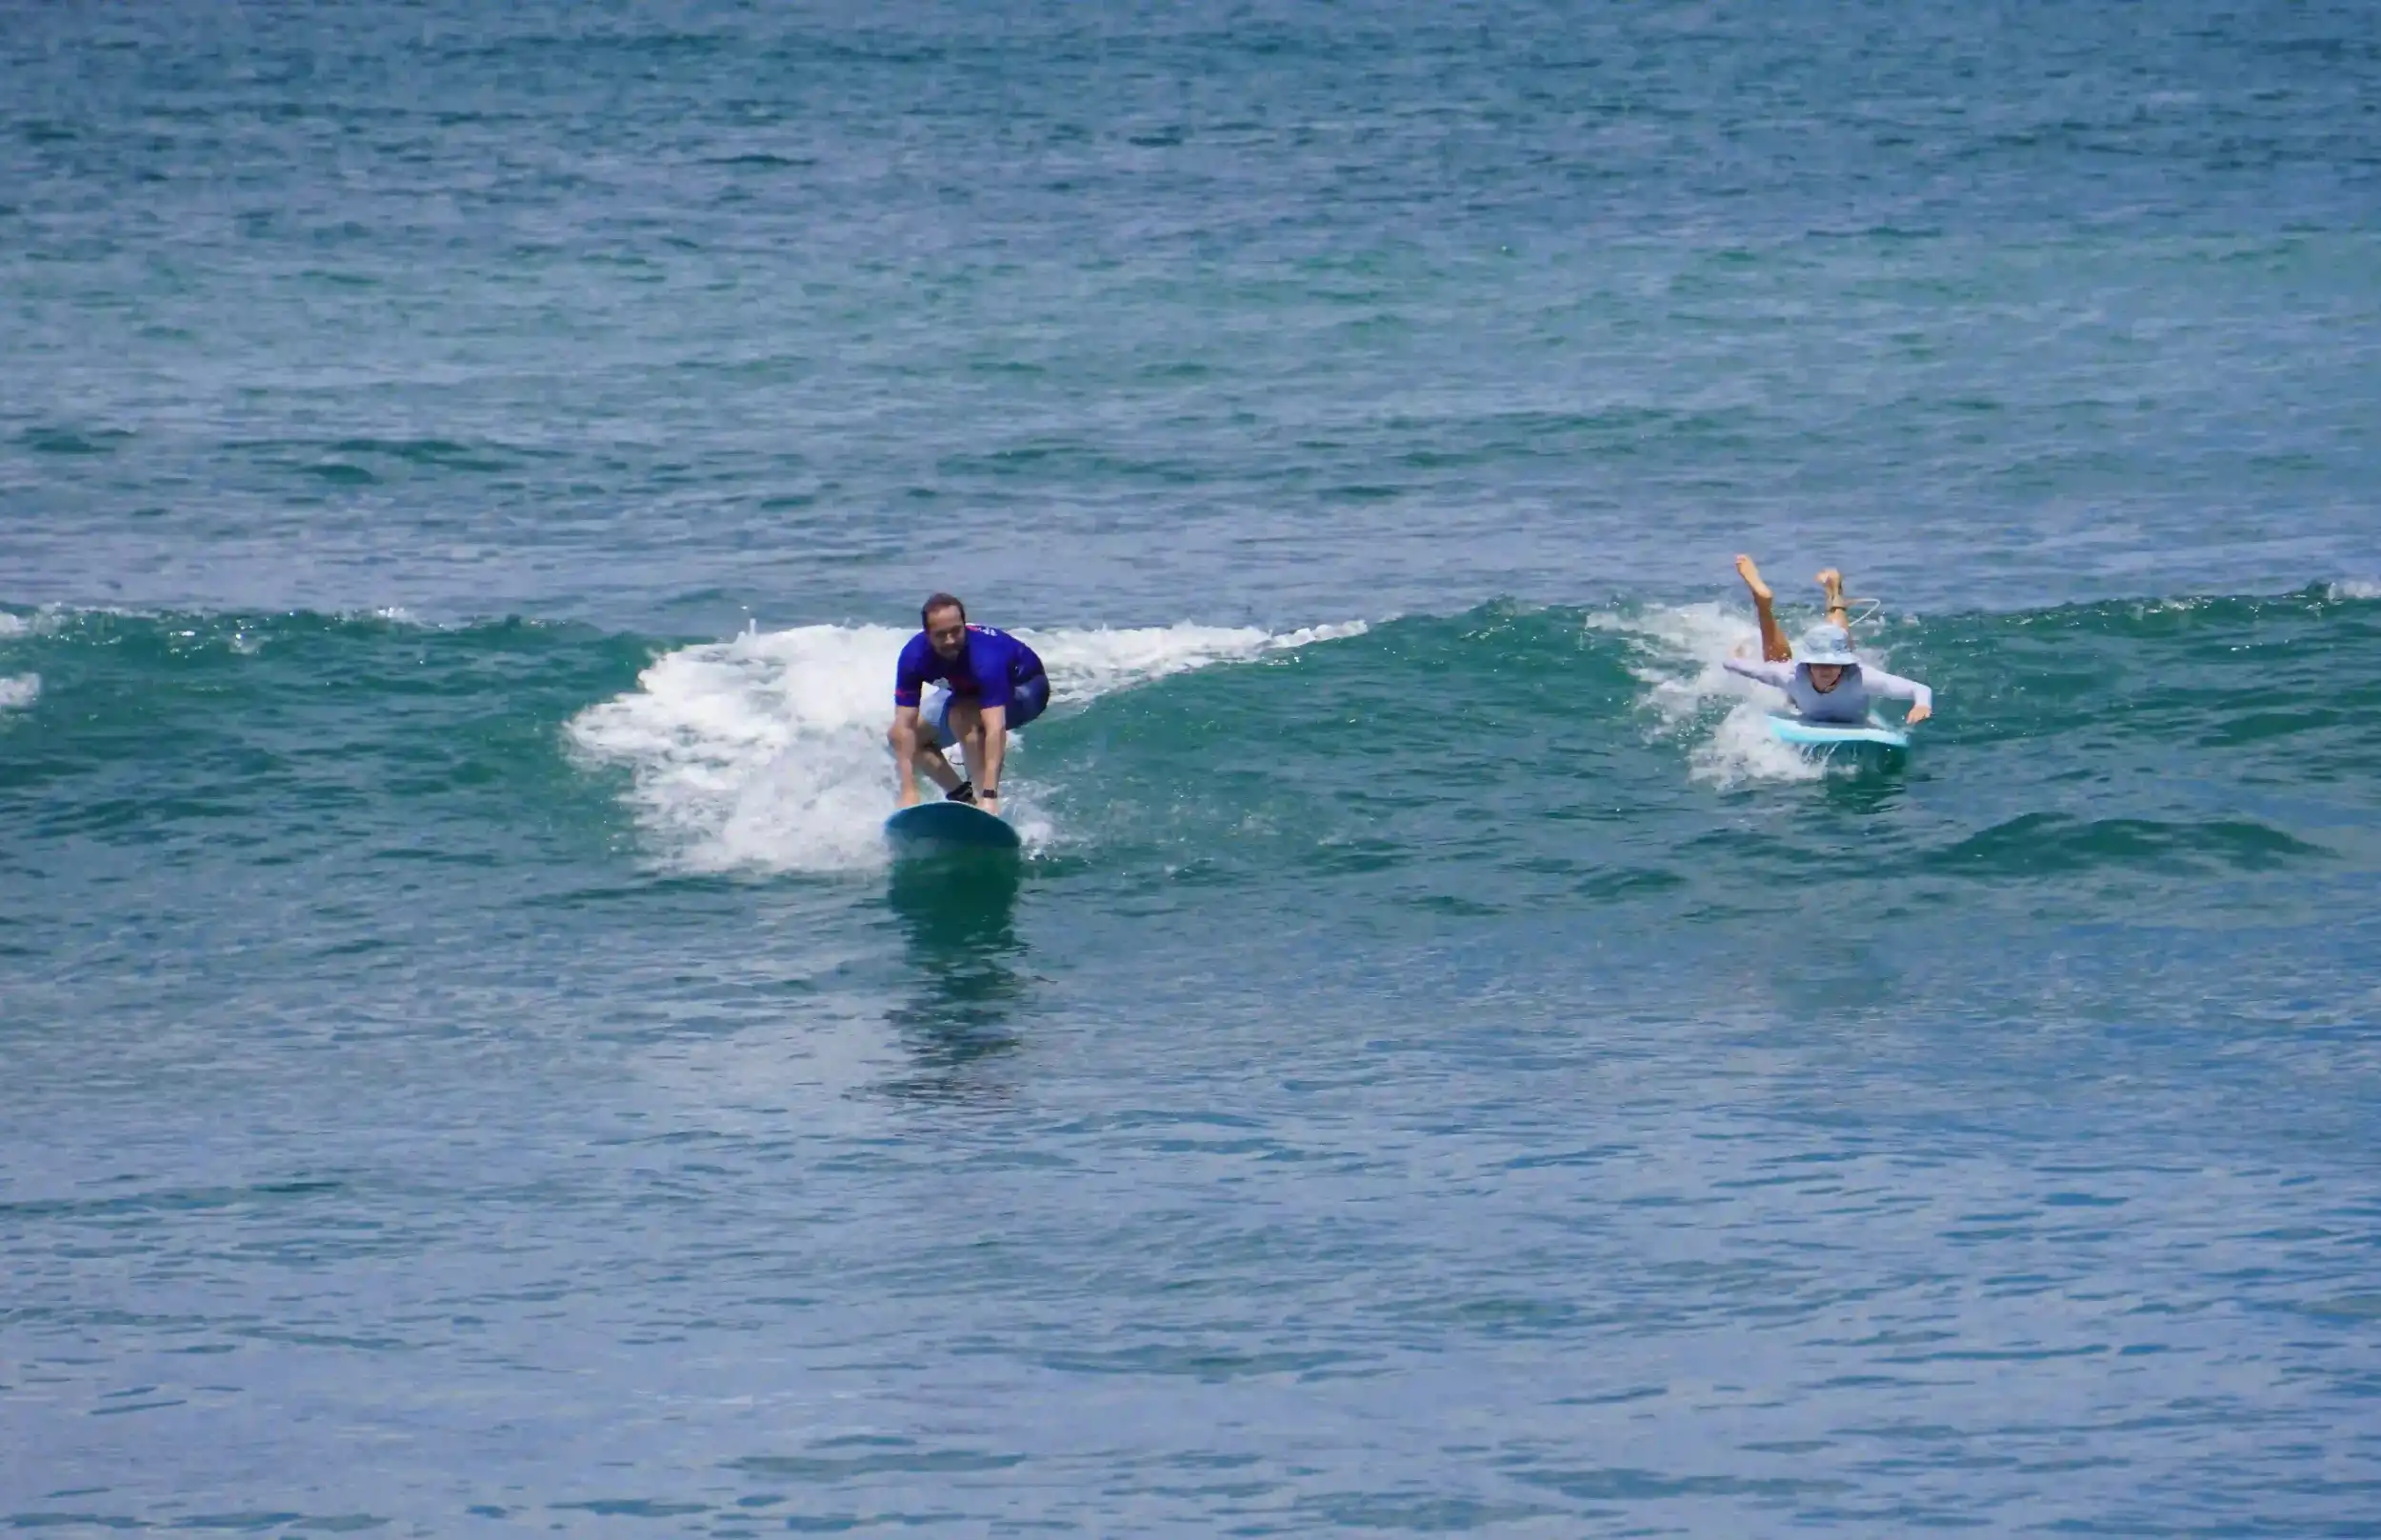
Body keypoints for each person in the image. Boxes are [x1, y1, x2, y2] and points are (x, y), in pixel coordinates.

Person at [888, 592, 1050, 817]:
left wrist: (990, 794)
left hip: (1025, 689)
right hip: (965, 688)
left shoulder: (986, 657)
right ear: (927, 635)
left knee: (962, 716)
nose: (950, 640)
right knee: (906, 736)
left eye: (956, 631)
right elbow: (903, 728)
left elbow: (996, 729)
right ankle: (963, 796)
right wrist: (908, 791)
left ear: (965, 625)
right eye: (940, 635)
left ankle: (984, 803)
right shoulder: (913, 658)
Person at [1724, 555, 1933, 727]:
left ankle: (1833, 594)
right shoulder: (1790, 676)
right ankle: (1766, 604)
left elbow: (1919, 689)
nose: (1826, 669)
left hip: (1832, 680)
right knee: (1779, 664)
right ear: (1807, 664)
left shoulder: (1861, 678)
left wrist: (1921, 705)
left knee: (1836, 638)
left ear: (1844, 664)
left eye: (1834, 664)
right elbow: (1743, 667)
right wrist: (1734, 659)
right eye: (1820, 664)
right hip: (1809, 694)